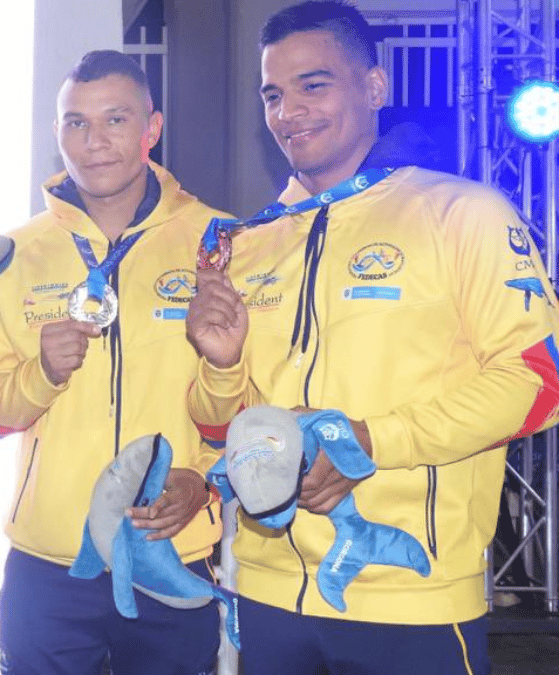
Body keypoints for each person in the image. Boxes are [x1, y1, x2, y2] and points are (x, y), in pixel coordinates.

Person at [185, 2, 559, 673]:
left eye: (313, 85)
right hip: (268, 599)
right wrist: (221, 367)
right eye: (273, 93)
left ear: (375, 87)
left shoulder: (461, 213)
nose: (288, 111)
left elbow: (539, 383)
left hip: (411, 603)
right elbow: (221, 430)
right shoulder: (248, 241)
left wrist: (369, 440)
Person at [0, 50, 230, 675]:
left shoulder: (220, 242)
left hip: (170, 544)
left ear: (152, 128)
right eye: (74, 122)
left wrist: (205, 484)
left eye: (115, 120)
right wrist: (42, 374)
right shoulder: (15, 252)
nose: (93, 142)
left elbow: (253, 400)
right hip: (50, 561)